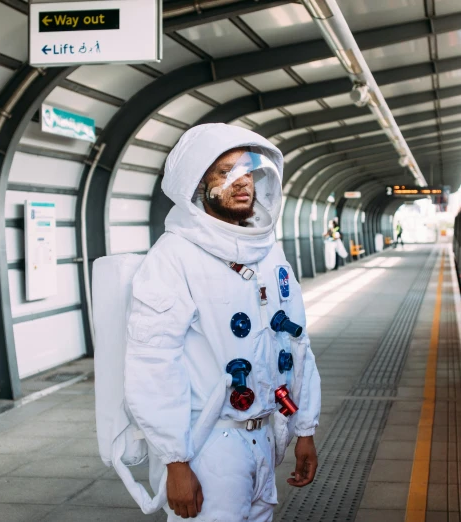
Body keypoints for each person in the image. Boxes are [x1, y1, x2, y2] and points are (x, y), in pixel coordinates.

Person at [124, 123, 321, 521]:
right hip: (209, 444)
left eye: (247, 171)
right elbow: (154, 364)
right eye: (224, 172)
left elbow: (296, 344)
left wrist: (305, 429)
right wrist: (175, 462)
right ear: (198, 184)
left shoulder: (268, 253)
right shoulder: (175, 256)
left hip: (264, 436)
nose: (241, 181)